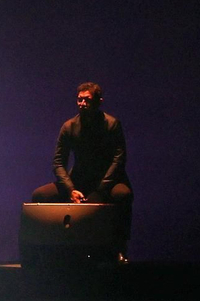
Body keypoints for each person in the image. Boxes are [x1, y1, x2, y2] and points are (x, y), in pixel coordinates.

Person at [30, 82, 132, 258]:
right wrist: (70, 189)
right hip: (79, 181)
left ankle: (119, 248)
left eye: (87, 100)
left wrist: (100, 190)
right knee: (40, 195)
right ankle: (46, 252)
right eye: (79, 100)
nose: (82, 104)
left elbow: (118, 160)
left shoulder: (112, 124)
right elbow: (58, 163)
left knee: (123, 195)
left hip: (107, 181)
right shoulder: (69, 126)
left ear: (99, 101)